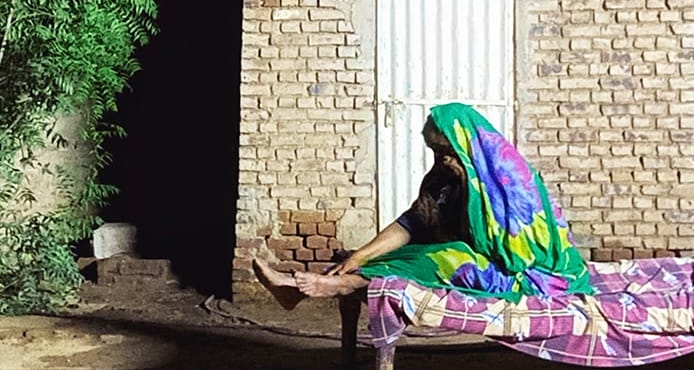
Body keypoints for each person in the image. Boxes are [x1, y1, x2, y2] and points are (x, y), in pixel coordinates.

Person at [253, 100, 596, 305]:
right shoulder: (446, 179)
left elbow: (524, 254)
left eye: (447, 152)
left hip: (534, 275)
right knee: (390, 254)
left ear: (468, 146)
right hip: (482, 259)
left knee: (449, 259)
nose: (442, 160)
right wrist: (361, 255)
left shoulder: (511, 181)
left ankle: (341, 285)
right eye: (435, 152)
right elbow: (411, 224)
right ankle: (305, 287)